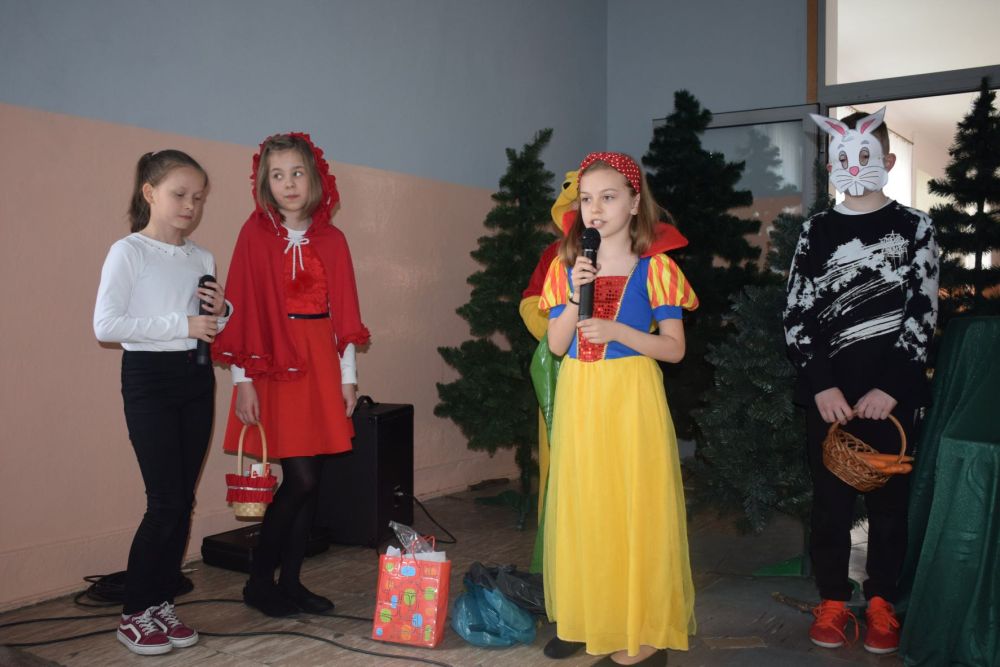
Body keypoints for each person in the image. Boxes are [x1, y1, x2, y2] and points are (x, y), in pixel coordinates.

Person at [785, 108, 939, 654]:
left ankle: (881, 602)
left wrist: (892, 388)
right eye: (843, 158)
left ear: (888, 161)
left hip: (891, 399)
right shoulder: (816, 231)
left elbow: (923, 312)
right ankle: (832, 598)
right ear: (832, 164)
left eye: (866, 155)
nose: (854, 166)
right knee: (829, 505)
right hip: (829, 399)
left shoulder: (917, 228)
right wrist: (822, 385)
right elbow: (797, 313)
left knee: (889, 507)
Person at [539, 152, 698, 666]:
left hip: (630, 398)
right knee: (587, 507)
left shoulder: (657, 268)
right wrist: (574, 297)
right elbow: (557, 345)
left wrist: (618, 332)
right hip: (581, 396)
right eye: (587, 199)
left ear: (633, 203)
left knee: (633, 509)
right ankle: (591, 617)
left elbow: (674, 348)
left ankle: (643, 639)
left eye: (608, 197)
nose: (595, 209)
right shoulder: (568, 268)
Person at [213, 133, 369, 617]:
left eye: (297, 172)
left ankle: (293, 582)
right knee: (299, 478)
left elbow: (344, 313)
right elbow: (240, 308)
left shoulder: (333, 240)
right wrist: (242, 381)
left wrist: (347, 378)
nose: (288, 184)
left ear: (314, 178)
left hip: (320, 364)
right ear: (265, 182)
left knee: (311, 480)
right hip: (272, 363)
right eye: (277, 175)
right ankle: (260, 581)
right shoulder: (254, 234)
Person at [94, 150, 229, 655]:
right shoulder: (128, 252)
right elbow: (106, 326)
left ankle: (161, 603)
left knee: (183, 500)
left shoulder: (202, 258)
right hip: (149, 379)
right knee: (165, 501)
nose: (190, 205)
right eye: (180, 194)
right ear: (150, 193)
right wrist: (181, 324)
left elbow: (207, 325)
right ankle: (134, 612)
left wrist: (222, 311)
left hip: (195, 377)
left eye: (198, 197)